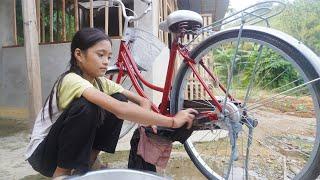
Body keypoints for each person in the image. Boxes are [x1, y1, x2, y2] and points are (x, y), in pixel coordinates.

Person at [25, 28, 197, 179]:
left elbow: (142, 100)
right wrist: (173, 121)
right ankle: (61, 174)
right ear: (79, 55)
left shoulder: (100, 82)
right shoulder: (71, 80)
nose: (107, 61)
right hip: (43, 155)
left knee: (118, 98)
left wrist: (148, 120)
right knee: (88, 107)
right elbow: (121, 110)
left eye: (108, 56)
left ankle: (88, 165)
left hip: (60, 149)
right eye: (100, 55)